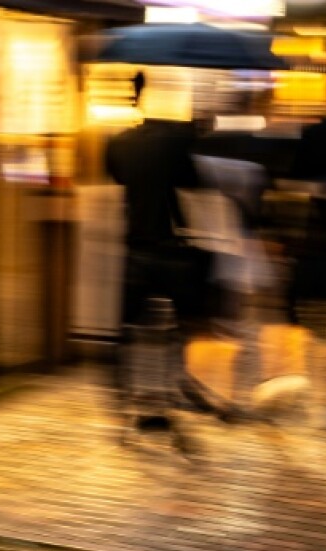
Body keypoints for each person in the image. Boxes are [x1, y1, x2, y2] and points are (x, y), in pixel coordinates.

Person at [105, 71, 223, 422]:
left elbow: (118, 177)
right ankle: (175, 388)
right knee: (183, 326)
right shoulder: (173, 145)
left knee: (128, 329)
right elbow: (195, 183)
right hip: (171, 251)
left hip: (135, 248)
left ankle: (128, 397)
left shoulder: (119, 142)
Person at [287, 113, 326, 430]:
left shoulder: (317, 133)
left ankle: (319, 402)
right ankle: (322, 403)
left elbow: (296, 182)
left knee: (323, 328)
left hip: (319, 243)